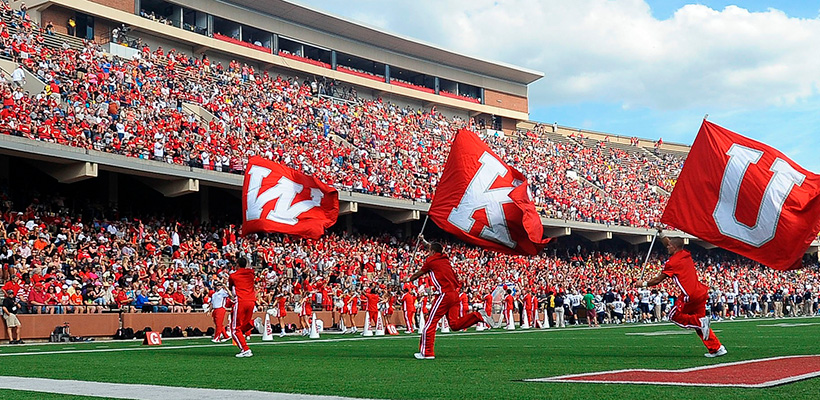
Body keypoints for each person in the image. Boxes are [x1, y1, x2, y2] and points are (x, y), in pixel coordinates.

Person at [640, 228, 726, 357]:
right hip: (700, 291)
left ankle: (700, 322)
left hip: (689, 295)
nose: (667, 247)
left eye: (669, 246)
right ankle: (716, 348)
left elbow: (658, 279)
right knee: (700, 325)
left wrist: (643, 284)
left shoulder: (672, 263)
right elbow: (670, 243)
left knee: (673, 315)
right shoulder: (685, 254)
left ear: (674, 247)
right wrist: (662, 234)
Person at [404, 236, 493, 360]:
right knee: (454, 325)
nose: (428, 253)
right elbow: (434, 247)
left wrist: (408, 279)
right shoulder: (444, 259)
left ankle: (427, 353)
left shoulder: (431, 261)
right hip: (454, 295)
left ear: (433, 253)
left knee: (430, 322)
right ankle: (477, 316)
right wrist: (424, 241)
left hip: (444, 294)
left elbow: (420, 273)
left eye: (429, 251)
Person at [229, 256, 256, 357]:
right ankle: (251, 323)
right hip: (252, 301)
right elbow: (250, 269)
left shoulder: (233, 276)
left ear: (237, 265)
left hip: (240, 301)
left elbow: (231, 286)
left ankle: (245, 349)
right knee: (242, 326)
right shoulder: (251, 273)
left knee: (235, 328)